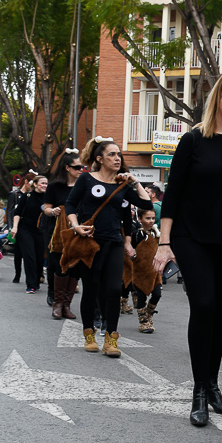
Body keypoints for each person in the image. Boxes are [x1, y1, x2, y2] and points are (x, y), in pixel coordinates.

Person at [152, 67, 222, 426]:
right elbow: (173, 196)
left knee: (220, 313)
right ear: (218, 96)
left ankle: (213, 386)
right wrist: (165, 243)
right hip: (193, 237)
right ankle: (199, 390)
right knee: (203, 305)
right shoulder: (195, 140)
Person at [66, 138, 153, 357]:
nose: (117, 158)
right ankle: (89, 334)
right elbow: (70, 204)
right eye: (112, 155)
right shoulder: (86, 179)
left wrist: (134, 182)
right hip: (91, 243)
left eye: (119, 155)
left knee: (114, 289)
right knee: (92, 288)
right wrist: (76, 226)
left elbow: (146, 204)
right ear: (99, 158)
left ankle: (111, 339)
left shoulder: (122, 184)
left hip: (114, 241)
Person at [43, 151, 85, 319]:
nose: (81, 170)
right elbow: (46, 208)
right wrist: (53, 211)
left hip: (78, 231)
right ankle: (57, 303)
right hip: (56, 232)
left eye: (82, 167)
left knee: (75, 267)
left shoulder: (84, 184)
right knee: (59, 266)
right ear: (67, 168)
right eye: (77, 167)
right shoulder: (54, 186)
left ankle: (67, 305)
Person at [11, 175, 48, 294]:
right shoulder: (27, 196)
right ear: (35, 184)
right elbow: (17, 213)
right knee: (29, 256)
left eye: (46, 183)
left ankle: (36, 281)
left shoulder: (48, 199)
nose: (44, 185)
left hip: (41, 231)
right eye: (42, 183)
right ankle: (31, 284)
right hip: (25, 230)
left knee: (39, 258)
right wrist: (15, 227)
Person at [128, 208, 162, 333]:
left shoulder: (156, 233)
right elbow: (131, 249)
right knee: (141, 297)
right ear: (140, 219)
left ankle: (149, 315)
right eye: (148, 218)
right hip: (141, 272)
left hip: (154, 271)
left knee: (157, 294)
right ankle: (143, 322)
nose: (151, 221)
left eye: (153, 218)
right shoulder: (137, 234)